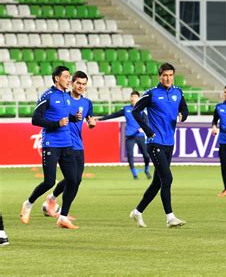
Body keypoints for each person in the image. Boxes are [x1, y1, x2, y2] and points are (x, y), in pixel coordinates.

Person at [129, 63, 189, 228]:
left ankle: (138, 211)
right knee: (167, 178)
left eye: (171, 75)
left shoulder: (178, 92)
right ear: (159, 76)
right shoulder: (151, 94)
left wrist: (181, 116)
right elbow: (135, 111)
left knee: (157, 182)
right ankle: (170, 217)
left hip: (170, 143)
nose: (168, 78)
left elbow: (185, 110)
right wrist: (148, 131)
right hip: (155, 142)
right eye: (165, 75)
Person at [21, 66, 81, 229]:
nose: (69, 80)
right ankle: (28, 203)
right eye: (67, 77)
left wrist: (73, 118)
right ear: (56, 78)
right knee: (49, 181)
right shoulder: (47, 96)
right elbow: (35, 119)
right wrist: (56, 124)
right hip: (51, 144)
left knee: (73, 180)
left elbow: (63, 117)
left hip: (67, 144)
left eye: (70, 77)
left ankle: (62, 217)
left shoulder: (66, 97)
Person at [44, 71, 96, 219]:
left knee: (75, 180)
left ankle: (52, 199)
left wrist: (92, 124)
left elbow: (90, 121)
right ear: (72, 83)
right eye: (78, 83)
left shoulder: (87, 103)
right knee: (72, 179)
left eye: (84, 84)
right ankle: (62, 214)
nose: (81, 86)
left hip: (79, 145)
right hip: (63, 144)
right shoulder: (62, 97)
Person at [98, 90, 151, 179]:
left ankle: (146, 169)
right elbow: (114, 115)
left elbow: (146, 121)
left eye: (135, 97)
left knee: (146, 155)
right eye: (132, 96)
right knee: (130, 155)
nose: (133, 98)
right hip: (129, 136)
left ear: (138, 98)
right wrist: (100, 119)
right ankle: (134, 174)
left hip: (139, 135)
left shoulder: (142, 110)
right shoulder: (126, 109)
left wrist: (143, 128)